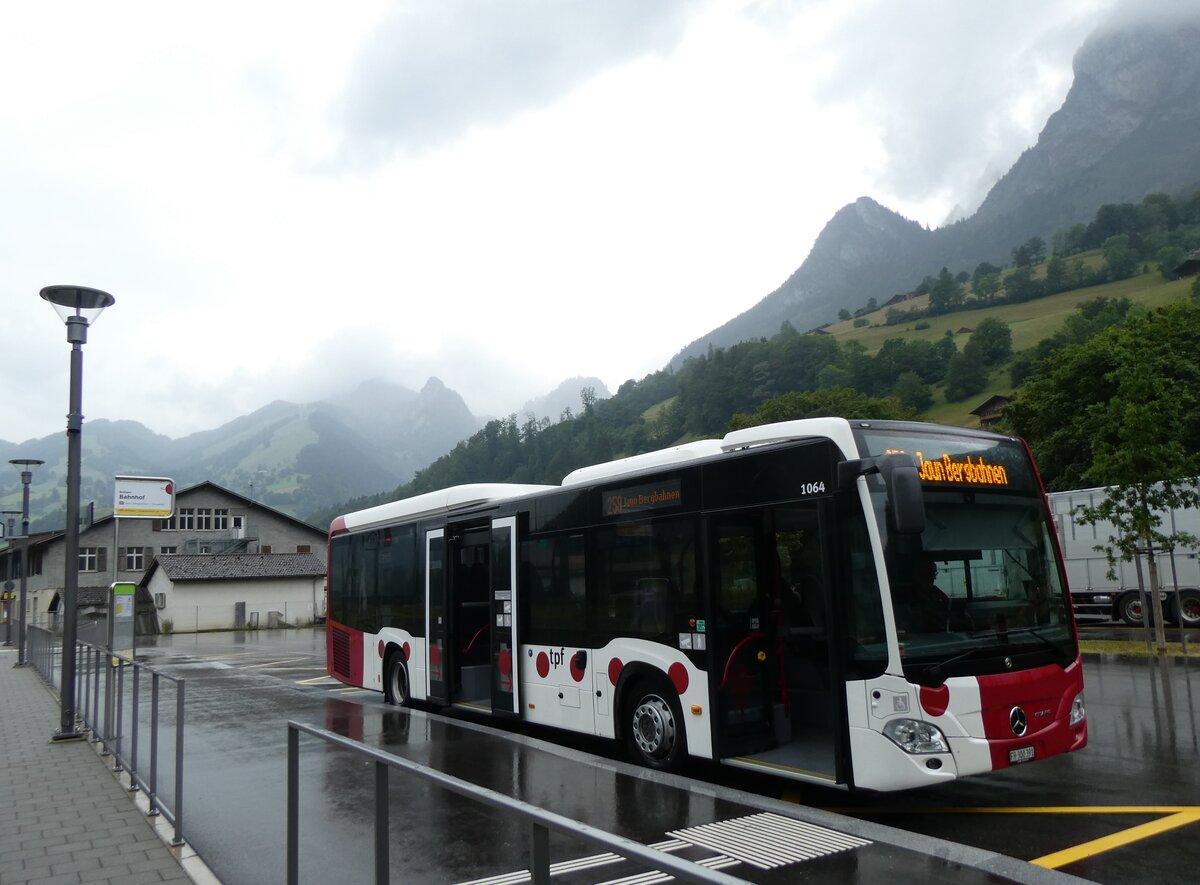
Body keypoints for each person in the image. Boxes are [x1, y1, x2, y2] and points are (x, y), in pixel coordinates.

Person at [909, 555, 950, 631]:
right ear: (920, 575)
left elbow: (948, 603)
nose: (934, 578)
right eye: (931, 574)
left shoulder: (934, 590)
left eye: (935, 573)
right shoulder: (910, 595)